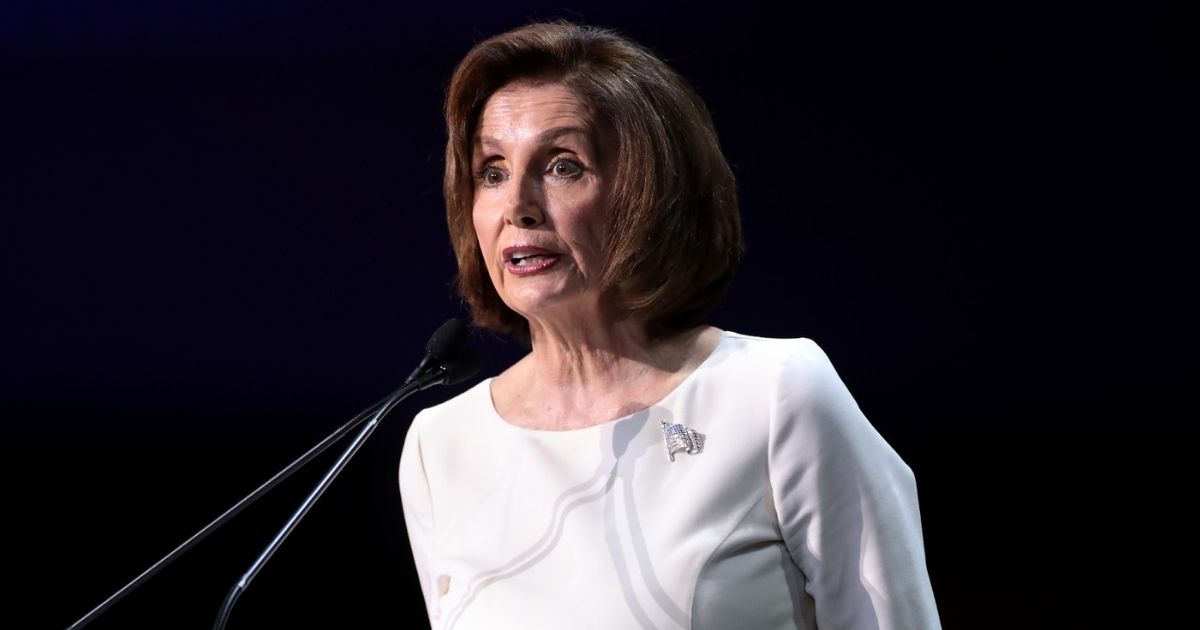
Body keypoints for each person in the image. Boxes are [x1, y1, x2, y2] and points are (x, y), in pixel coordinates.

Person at [399, 21, 941, 630]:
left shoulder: (773, 394)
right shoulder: (439, 445)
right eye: (492, 171)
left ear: (649, 193)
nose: (517, 205)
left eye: (562, 166)